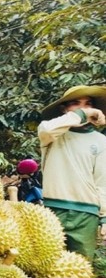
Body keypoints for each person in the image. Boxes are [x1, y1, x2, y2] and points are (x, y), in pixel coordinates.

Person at [37, 85, 106, 260]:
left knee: (79, 271)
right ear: (64, 109)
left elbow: (102, 182)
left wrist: (104, 216)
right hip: (53, 210)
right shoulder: (53, 135)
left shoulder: (101, 141)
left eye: (88, 104)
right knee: (45, 266)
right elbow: (45, 129)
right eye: (76, 103)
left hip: (86, 215)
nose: (83, 107)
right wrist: (81, 115)